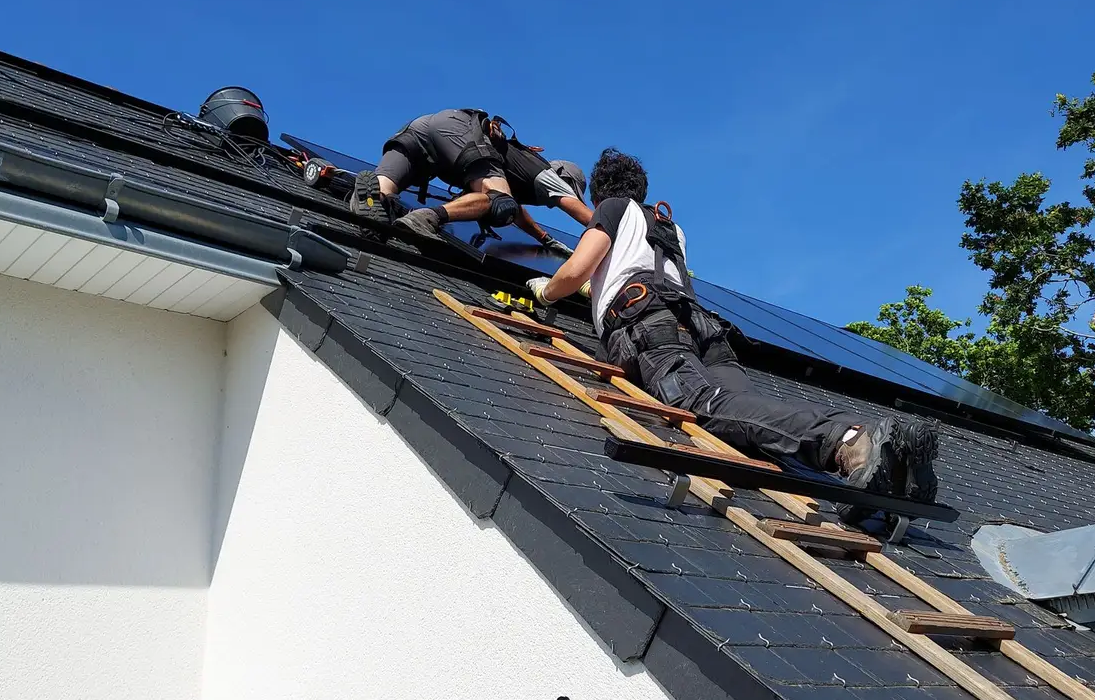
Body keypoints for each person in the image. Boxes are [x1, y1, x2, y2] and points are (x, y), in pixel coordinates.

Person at [524, 149, 939, 525]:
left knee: (702, 407)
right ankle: (889, 467)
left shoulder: (612, 209)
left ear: (600, 195)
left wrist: (546, 289)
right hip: (699, 327)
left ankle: (852, 439)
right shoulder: (668, 225)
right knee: (745, 416)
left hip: (649, 322)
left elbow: (578, 269)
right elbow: (645, 274)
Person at [349, 108, 592, 256]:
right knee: (500, 203)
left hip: (422, 134)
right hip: (458, 132)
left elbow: (517, 210)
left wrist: (545, 239)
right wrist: (615, 234)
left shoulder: (516, 174)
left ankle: (373, 196)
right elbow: (591, 219)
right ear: (565, 179)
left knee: (383, 198)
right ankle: (424, 219)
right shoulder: (545, 172)